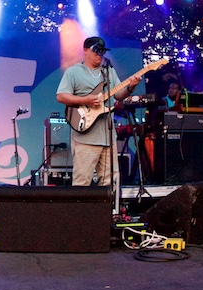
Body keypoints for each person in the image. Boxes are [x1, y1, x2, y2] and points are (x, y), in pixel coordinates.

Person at [56, 37, 142, 213]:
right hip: (85, 136)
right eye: (96, 51)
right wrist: (85, 99)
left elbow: (118, 96)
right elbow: (61, 96)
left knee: (110, 180)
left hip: (108, 137)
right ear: (85, 50)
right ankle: (79, 218)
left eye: (102, 52)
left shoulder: (108, 72)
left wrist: (131, 87)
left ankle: (107, 215)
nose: (99, 55)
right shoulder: (74, 72)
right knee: (82, 181)